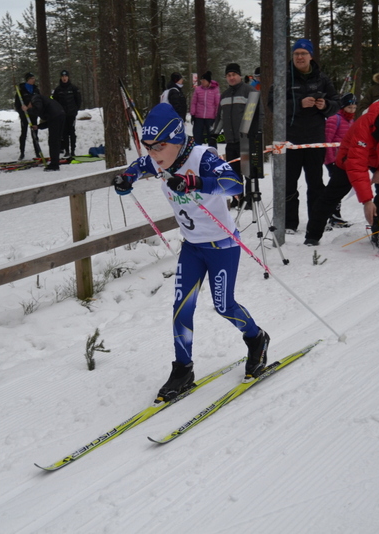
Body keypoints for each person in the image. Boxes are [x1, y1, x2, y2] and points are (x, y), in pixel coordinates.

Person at [111, 103, 269, 402]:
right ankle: (183, 369)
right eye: (148, 146)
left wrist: (194, 182)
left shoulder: (202, 157)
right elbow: (139, 166)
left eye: (159, 145)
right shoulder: (158, 161)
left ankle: (256, 338)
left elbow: (235, 185)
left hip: (222, 246)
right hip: (193, 247)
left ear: (177, 139)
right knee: (182, 307)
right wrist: (126, 178)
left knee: (224, 306)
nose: (153, 153)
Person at [303, 99, 379, 248]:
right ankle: (312, 235)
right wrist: (367, 200)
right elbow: (357, 164)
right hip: (351, 156)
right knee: (332, 194)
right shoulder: (366, 125)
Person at [267, 38, 339, 233]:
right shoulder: (283, 77)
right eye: (296, 53)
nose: (300, 57)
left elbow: (336, 103)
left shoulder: (322, 79)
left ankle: (317, 222)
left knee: (316, 183)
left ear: (311, 56)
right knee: (289, 183)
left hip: (315, 139)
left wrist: (326, 105)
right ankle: (289, 223)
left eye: (303, 53)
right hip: (290, 139)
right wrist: (299, 104)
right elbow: (272, 104)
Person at [213, 62, 256, 198]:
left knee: (249, 172)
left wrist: (255, 133)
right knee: (233, 172)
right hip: (230, 141)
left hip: (246, 140)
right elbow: (220, 117)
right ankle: (237, 198)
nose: (231, 78)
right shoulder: (224, 95)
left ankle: (250, 198)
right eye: (229, 75)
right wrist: (214, 134)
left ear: (240, 76)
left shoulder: (250, 91)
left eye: (234, 74)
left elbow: (257, 115)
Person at [323, 92, 357, 228]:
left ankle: (335, 216)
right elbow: (327, 141)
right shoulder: (334, 119)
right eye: (349, 107)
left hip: (345, 161)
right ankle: (332, 216)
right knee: (335, 189)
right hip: (334, 161)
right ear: (343, 107)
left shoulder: (351, 121)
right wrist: (330, 161)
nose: (352, 110)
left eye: (354, 108)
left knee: (340, 188)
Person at [27, 93, 65, 171]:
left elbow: (38, 109)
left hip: (56, 116)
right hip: (60, 115)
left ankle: (54, 165)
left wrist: (27, 110)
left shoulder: (35, 98)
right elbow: (49, 120)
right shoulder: (43, 100)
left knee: (53, 141)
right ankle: (55, 161)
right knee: (55, 140)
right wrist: (38, 126)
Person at [52, 70, 82, 158]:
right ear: (61, 78)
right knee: (64, 133)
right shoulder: (58, 90)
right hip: (62, 115)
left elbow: (78, 100)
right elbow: (55, 102)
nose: (64, 78)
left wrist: (75, 110)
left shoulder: (74, 88)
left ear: (68, 77)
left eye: (66, 76)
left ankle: (73, 151)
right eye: (63, 77)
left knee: (72, 132)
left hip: (71, 114)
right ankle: (67, 151)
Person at [189, 71, 220, 147]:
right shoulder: (198, 90)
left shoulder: (215, 90)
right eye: (201, 80)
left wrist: (217, 115)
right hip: (199, 117)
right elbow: (194, 102)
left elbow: (217, 104)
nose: (202, 82)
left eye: (204, 80)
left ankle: (212, 151)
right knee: (197, 135)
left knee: (211, 136)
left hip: (210, 117)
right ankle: (197, 150)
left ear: (208, 81)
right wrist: (193, 114)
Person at [15, 73, 41, 160]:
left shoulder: (36, 90)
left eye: (34, 78)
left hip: (33, 114)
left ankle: (38, 152)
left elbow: (39, 101)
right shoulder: (21, 90)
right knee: (24, 133)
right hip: (24, 116)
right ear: (27, 79)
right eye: (31, 78)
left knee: (35, 133)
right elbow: (17, 104)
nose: (33, 80)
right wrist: (22, 109)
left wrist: (34, 107)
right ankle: (22, 152)